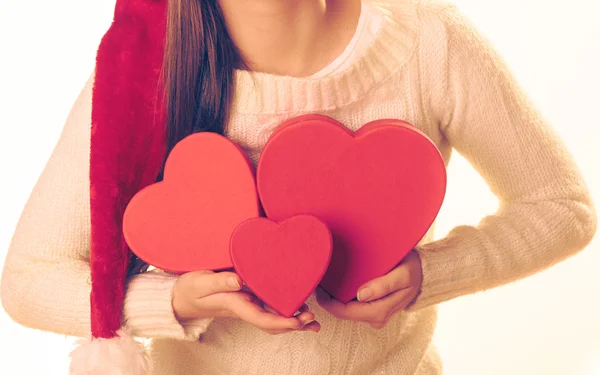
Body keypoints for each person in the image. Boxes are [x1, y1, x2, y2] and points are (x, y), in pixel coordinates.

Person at [1, 0, 596, 374]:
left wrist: (427, 275)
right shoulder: (144, 69)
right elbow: (29, 277)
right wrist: (174, 301)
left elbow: (560, 206)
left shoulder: (430, 43)